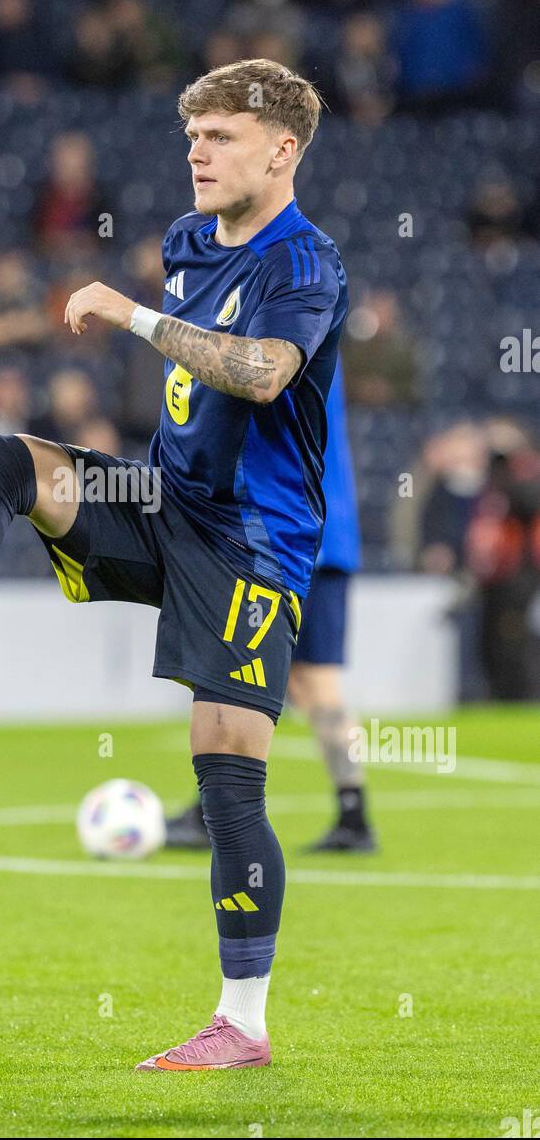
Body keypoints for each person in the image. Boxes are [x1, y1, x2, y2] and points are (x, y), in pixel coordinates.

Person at [0, 58, 349, 1072]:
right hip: (161, 502)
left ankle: (243, 1022)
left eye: (218, 136)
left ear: (282, 149)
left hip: (252, 545)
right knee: (10, 455)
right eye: (192, 135)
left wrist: (132, 316)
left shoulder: (302, 264)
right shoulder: (189, 241)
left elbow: (265, 375)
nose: (196, 151)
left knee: (225, 780)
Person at [165, 357, 376, 853]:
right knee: (282, 676)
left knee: (263, 673)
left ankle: (346, 812)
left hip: (295, 537)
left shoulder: (288, 333)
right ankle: (349, 810)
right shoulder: (310, 322)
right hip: (313, 535)